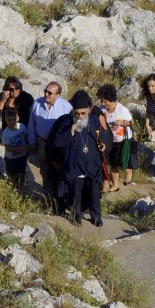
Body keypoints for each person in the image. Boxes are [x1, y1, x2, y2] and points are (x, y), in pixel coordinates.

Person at [53, 90, 107, 227]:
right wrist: (71, 131)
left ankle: (96, 217)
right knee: (75, 192)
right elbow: (58, 142)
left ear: (88, 110)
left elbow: (102, 138)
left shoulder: (94, 120)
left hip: (91, 164)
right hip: (75, 164)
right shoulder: (66, 122)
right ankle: (76, 215)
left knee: (94, 192)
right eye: (77, 113)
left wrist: (103, 145)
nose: (80, 116)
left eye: (83, 113)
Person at [27, 82, 73, 212]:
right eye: (45, 91)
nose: (46, 94)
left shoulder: (66, 107)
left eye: (49, 93)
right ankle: (48, 200)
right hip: (42, 143)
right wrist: (32, 141)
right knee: (45, 171)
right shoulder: (37, 104)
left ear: (58, 95)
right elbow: (32, 123)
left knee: (59, 171)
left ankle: (61, 201)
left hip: (57, 145)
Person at [97, 84, 134, 191]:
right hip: (107, 140)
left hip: (121, 140)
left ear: (111, 99)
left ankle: (128, 172)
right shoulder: (101, 109)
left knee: (121, 161)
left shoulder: (122, 110)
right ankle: (116, 184)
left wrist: (122, 122)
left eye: (105, 101)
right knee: (113, 162)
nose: (103, 104)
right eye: (102, 101)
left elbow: (131, 123)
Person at [1, 110, 31, 191]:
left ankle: (20, 189)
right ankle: (13, 190)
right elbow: (7, 148)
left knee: (22, 173)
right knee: (12, 176)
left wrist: (28, 147)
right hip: (11, 158)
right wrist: (21, 148)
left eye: (13, 119)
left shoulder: (22, 127)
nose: (11, 122)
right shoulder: (6, 133)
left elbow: (26, 136)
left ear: (18, 118)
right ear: (5, 120)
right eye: (9, 120)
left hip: (22, 156)